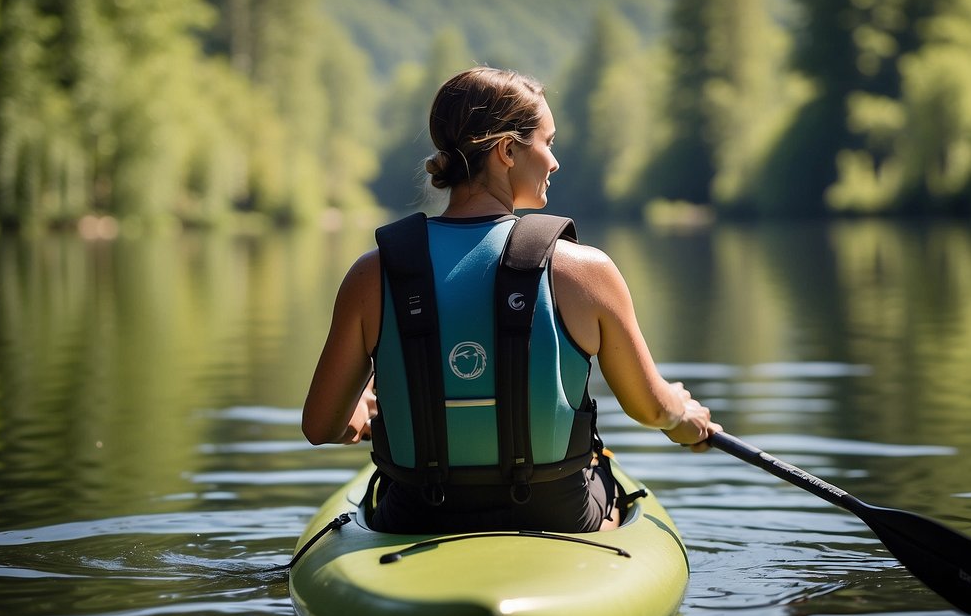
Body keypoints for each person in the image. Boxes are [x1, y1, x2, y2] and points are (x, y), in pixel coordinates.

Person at [302, 66, 719, 534]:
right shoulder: (585, 270)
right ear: (505, 151)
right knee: (608, 483)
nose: (554, 162)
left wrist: (357, 413)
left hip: (416, 515)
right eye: (548, 142)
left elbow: (321, 426)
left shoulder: (371, 272)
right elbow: (652, 408)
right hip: (559, 513)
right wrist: (686, 418)